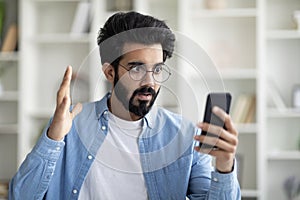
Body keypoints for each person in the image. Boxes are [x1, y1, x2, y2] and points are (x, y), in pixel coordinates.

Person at [9, 11, 240, 199]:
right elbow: (21, 196)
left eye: (157, 69)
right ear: (110, 72)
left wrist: (224, 165)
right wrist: (53, 138)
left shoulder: (185, 135)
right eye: (137, 68)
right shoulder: (70, 126)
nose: (150, 82)